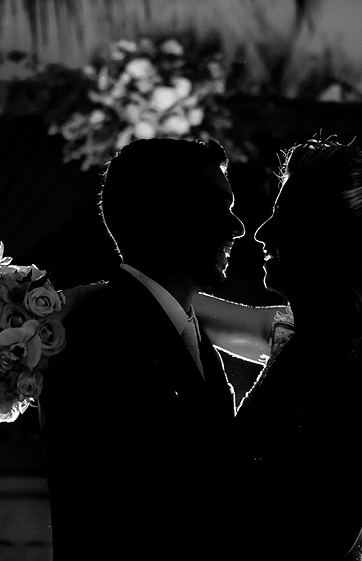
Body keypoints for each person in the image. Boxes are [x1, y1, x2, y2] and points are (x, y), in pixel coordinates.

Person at [195, 136, 362, 560]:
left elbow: (321, 538)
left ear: (326, 237)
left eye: (284, 218)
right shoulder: (304, 336)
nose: (261, 233)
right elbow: (194, 309)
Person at [38, 138, 246, 560]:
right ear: (165, 215)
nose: (237, 227)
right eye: (218, 207)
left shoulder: (188, 330)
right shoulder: (97, 338)